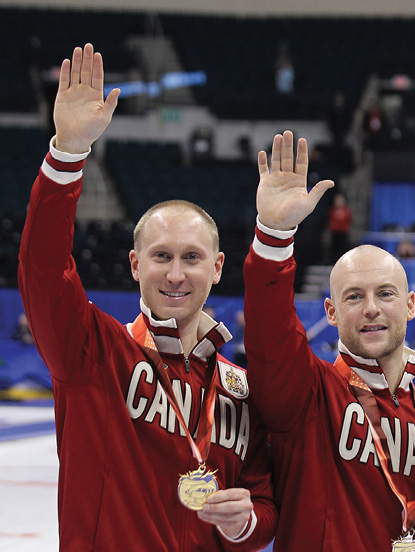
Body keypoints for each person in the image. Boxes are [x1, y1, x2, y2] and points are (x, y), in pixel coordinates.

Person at [17, 44, 276, 550]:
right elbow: (42, 270)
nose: (176, 274)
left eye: (192, 258)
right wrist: (67, 154)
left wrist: (245, 522)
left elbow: (265, 506)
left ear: (218, 268)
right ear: (135, 265)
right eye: (160, 256)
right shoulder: (93, 352)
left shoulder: (243, 392)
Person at [243, 130, 415, 550]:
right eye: (354, 297)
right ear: (331, 313)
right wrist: (274, 236)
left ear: (409, 305)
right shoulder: (309, 397)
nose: (371, 308)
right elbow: (270, 335)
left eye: (385, 294)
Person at [327, 191, 352, 263]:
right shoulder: (332, 210)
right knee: (334, 249)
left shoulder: (347, 211)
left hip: (343, 233)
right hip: (334, 233)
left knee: (342, 248)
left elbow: (349, 221)